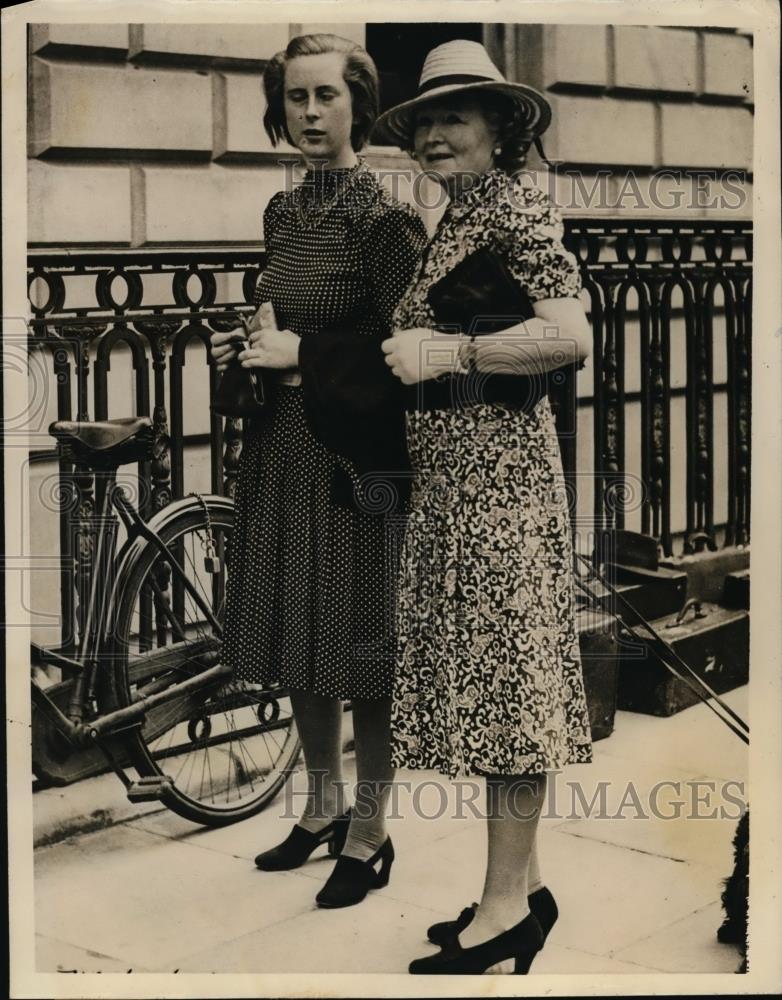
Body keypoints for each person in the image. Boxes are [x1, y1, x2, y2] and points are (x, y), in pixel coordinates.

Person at [376, 40, 594, 973]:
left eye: (454, 117)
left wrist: (451, 356)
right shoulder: (469, 212)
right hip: (461, 483)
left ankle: (505, 910)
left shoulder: (514, 208)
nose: (433, 134)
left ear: (502, 129)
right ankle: (526, 889)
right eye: (424, 119)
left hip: (500, 484)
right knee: (496, 678)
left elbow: (569, 336)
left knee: (509, 690)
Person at [210, 33, 426, 909]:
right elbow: (284, 329)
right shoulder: (281, 212)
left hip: (359, 460)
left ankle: (371, 832)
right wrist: (253, 350)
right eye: (295, 99)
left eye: (324, 98)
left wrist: (306, 355)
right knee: (299, 637)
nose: (308, 115)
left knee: (361, 646)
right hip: (285, 450)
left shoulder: (385, 219)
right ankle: (322, 807)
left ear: (357, 108)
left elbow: (410, 355)